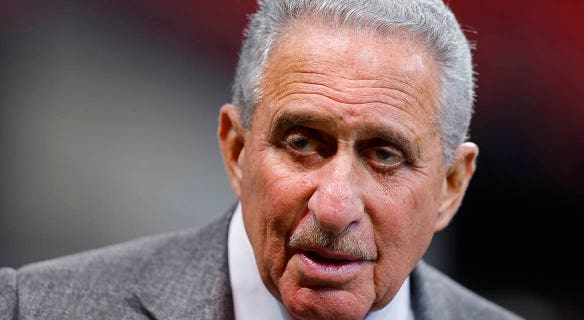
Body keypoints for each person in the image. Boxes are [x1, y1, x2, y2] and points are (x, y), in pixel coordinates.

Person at [0, 0, 522, 319]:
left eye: (384, 155)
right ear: (236, 150)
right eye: (301, 143)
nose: (335, 208)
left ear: (451, 186)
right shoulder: (34, 310)